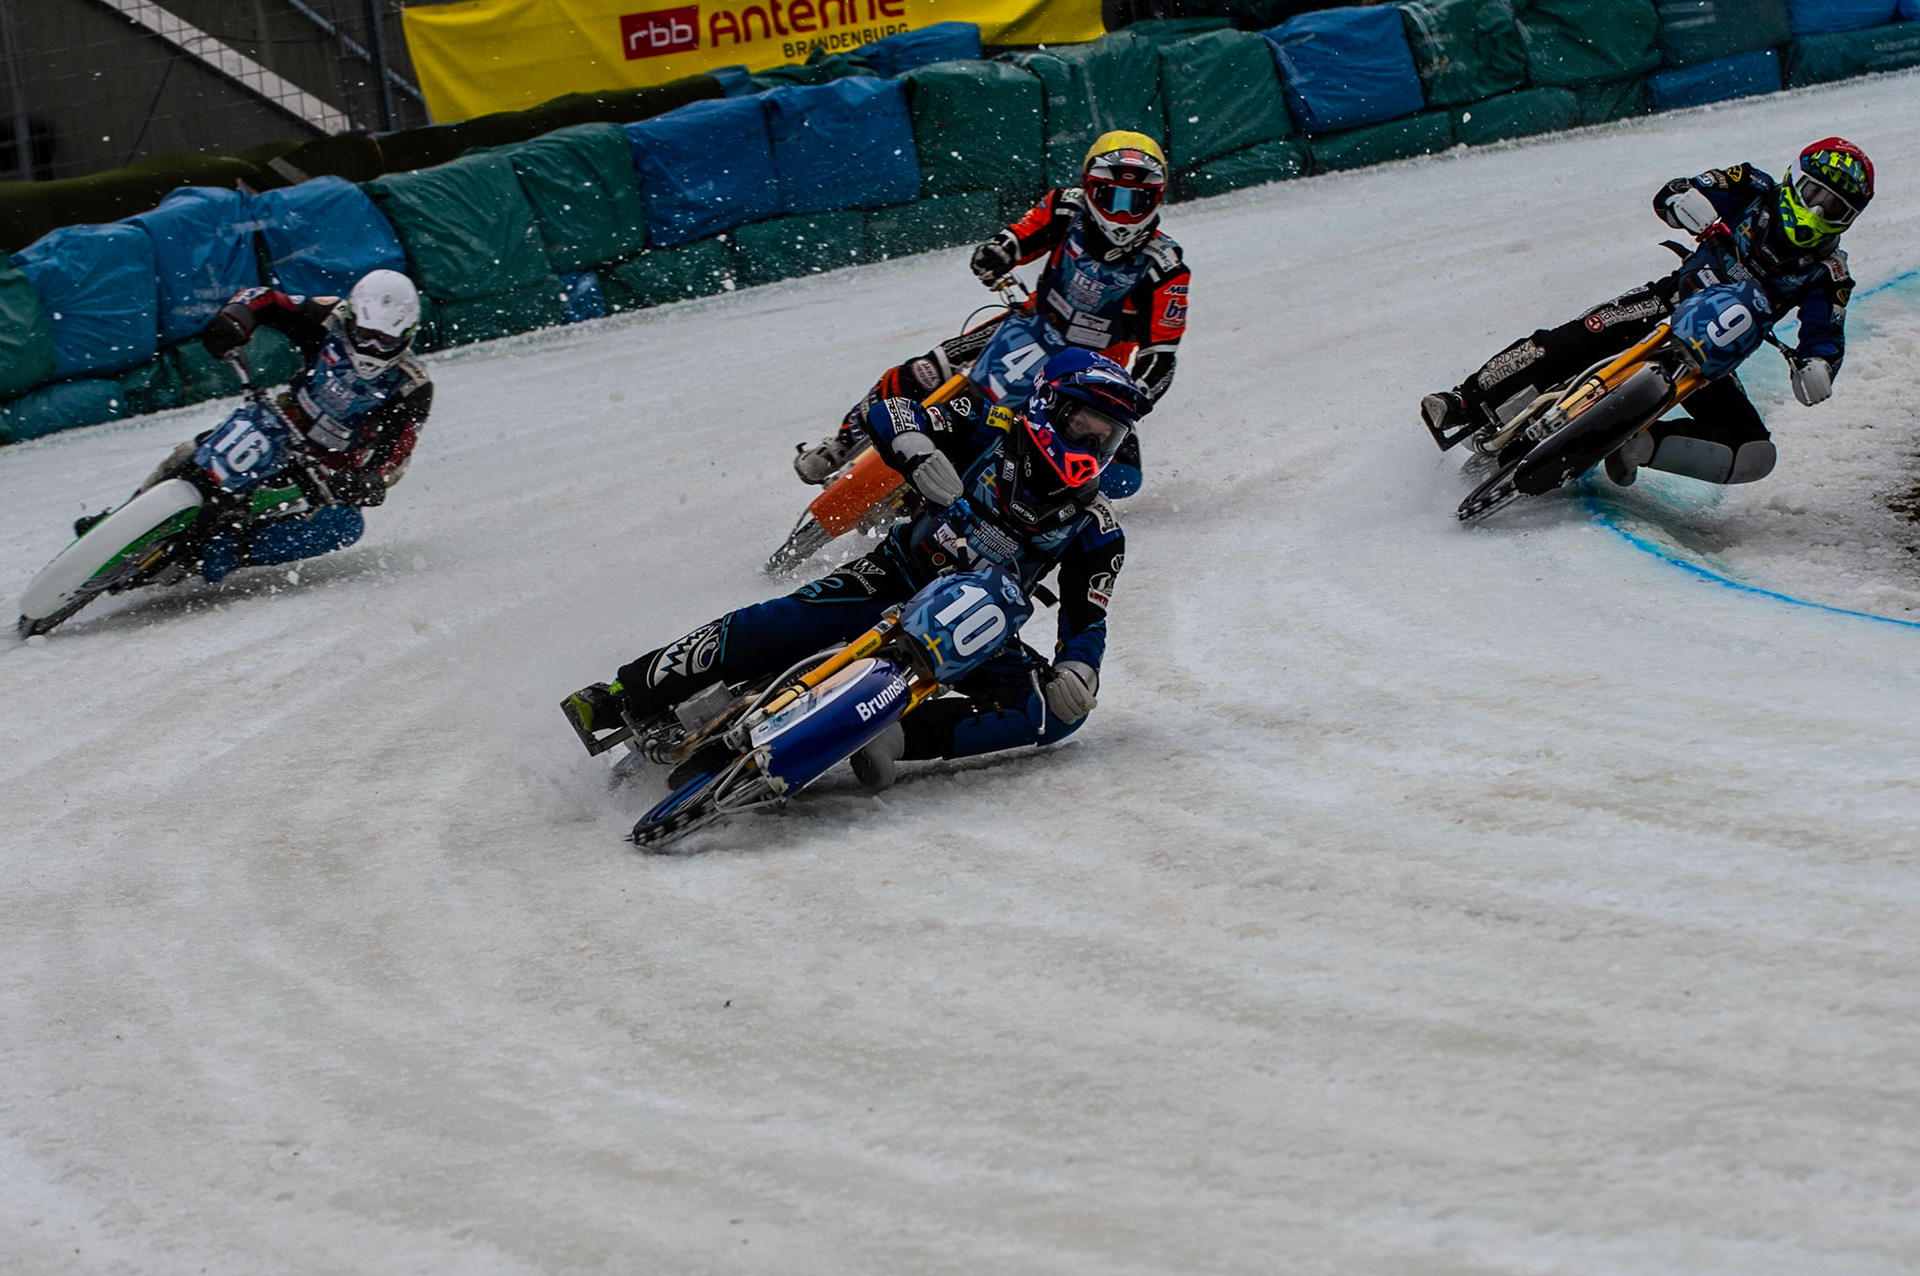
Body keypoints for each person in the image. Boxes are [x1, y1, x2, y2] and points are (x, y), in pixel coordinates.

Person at [567, 349, 1149, 790]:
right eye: (1084, 424)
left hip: (973, 629)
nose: (1093, 444)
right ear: (1048, 405)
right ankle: (625, 692)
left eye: (1108, 437)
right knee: (784, 622)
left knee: (1053, 715)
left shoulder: (1098, 528)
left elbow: (1087, 618)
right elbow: (889, 409)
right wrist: (917, 450)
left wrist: (1080, 671)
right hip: (895, 574)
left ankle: (891, 738)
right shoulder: (986, 421)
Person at [1420, 138, 1870, 487]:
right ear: (1793, 179)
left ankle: (1636, 446)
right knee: (1578, 335)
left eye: (1834, 208)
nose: (1817, 210)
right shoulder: (1752, 186)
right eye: (1814, 193)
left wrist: (1819, 365)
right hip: (1667, 302)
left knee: (1755, 452)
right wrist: (1687, 202)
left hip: (1711, 362)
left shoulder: (1830, 273)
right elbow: (1676, 192)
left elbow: (1826, 336)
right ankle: (1464, 401)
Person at [793, 131, 1189, 501]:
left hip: (1091, 366)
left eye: (1135, 202)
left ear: (1155, 200)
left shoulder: (1166, 266)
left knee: (1116, 476)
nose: (1121, 213)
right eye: (1110, 197)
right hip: (1031, 324)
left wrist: (1133, 396)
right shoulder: (1064, 206)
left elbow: (1162, 354)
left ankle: (1009, 499)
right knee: (920, 373)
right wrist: (995, 253)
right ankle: (842, 443)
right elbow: (1016, 236)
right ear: (1089, 188)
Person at [86, 269, 432, 582]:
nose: (371, 347)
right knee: (192, 452)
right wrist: (236, 318)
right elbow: (266, 299)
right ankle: (118, 521)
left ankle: (229, 550)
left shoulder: (413, 385)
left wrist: (370, 479)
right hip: (287, 419)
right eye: (365, 334)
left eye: (385, 341)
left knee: (343, 526)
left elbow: (397, 450)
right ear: (352, 319)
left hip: (335, 465)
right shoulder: (329, 316)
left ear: (407, 336)